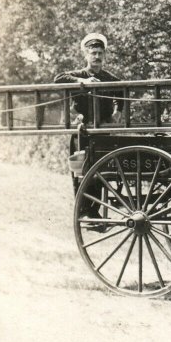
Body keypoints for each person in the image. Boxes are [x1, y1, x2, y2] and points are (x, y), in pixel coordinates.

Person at [54, 33, 123, 220]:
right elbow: (58, 79)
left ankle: (94, 211)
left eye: (100, 53)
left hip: (102, 132)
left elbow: (121, 90)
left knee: (100, 170)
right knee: (81, 170)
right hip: (82, 132)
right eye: (93, 53)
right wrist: (82, 82)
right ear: (86, 54)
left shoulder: (109, 78)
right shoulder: (78, 75)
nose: (97, 57)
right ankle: (83, 210)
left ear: (105, 56)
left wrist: (118, 110)